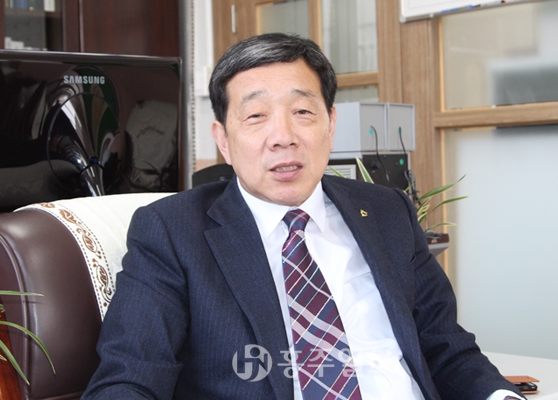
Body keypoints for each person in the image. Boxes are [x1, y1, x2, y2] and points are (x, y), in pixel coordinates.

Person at [83, 33, 524, 400]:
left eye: (302, 112)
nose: (283, 137)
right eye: (256, 116)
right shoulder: (172, 232)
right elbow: (130, 379)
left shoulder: (387, 212)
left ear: (330, 125)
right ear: (223, 139)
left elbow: (447, 349)